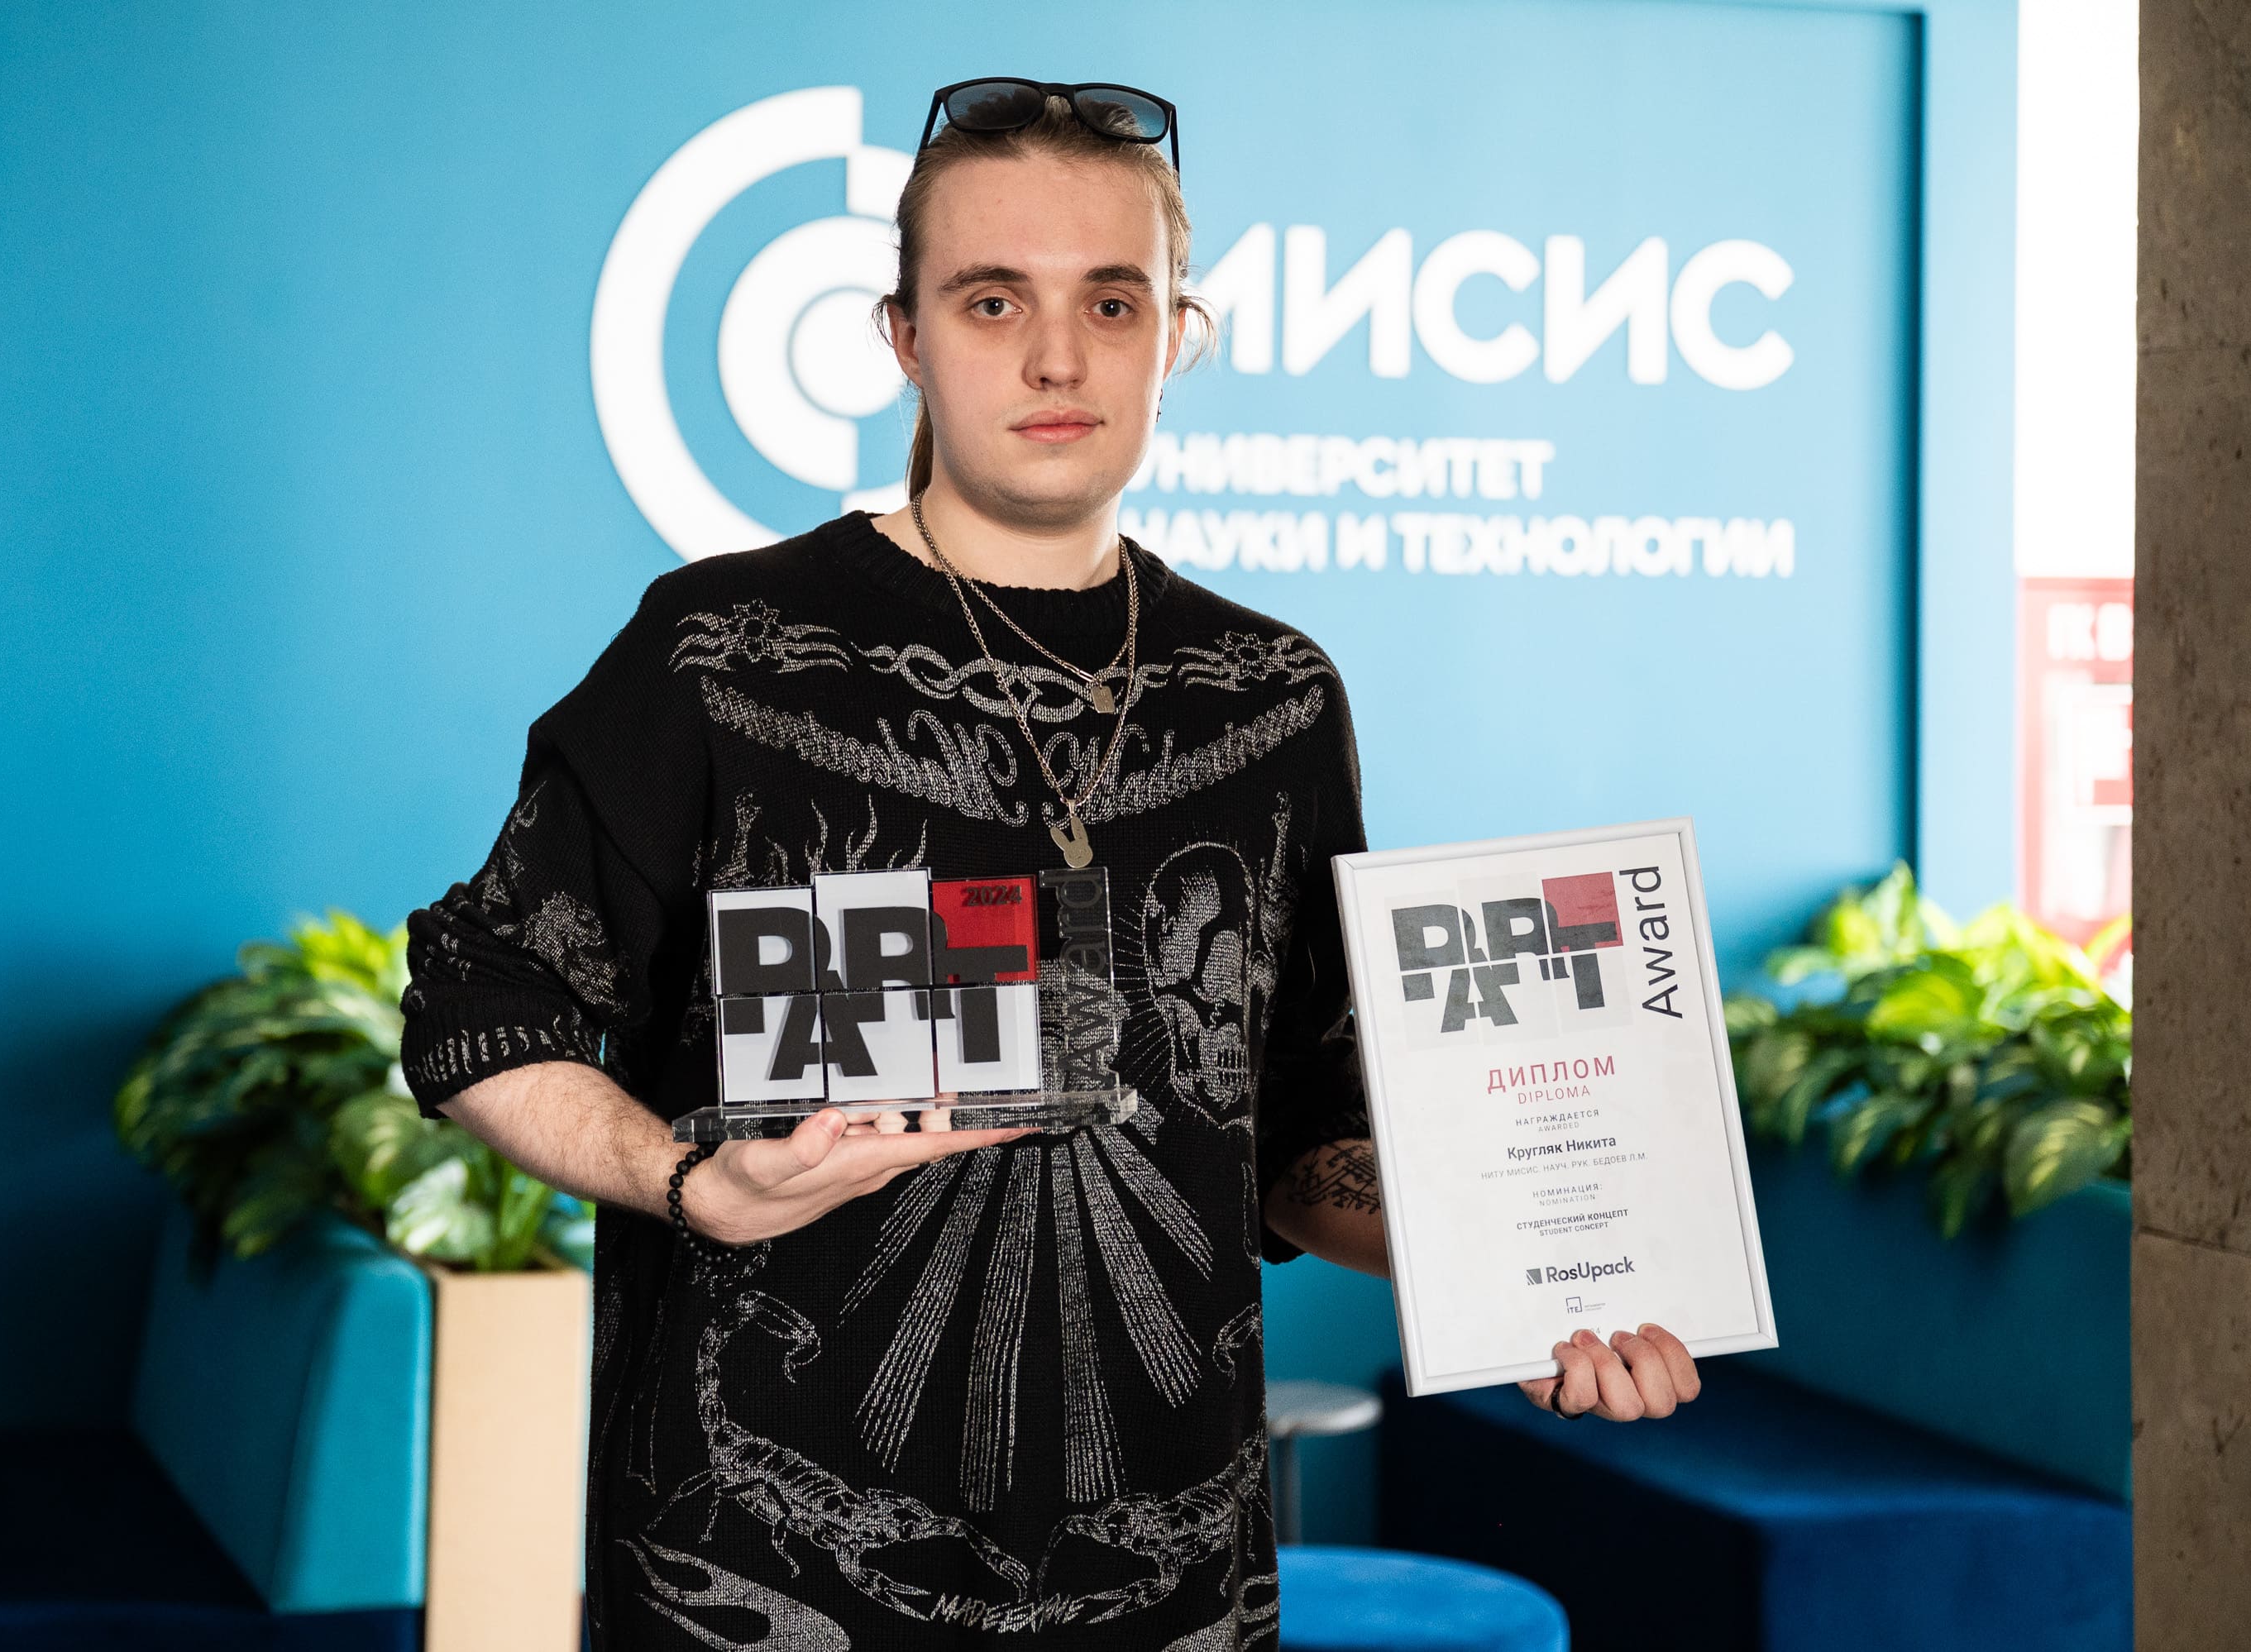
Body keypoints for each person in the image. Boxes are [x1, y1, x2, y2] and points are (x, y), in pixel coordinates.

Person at [401, 78, 1702, 1650]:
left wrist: (1527, 1276)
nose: (1057, 357)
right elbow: (480, 1004)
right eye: (993, 298)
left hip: (1169, 1595)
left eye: (1112, 300)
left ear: (1175, 336)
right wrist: (690, 1181)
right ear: (903, 336)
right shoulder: (720, 653)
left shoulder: (1276, 699)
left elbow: (1299, 1134)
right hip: (759, 1586)